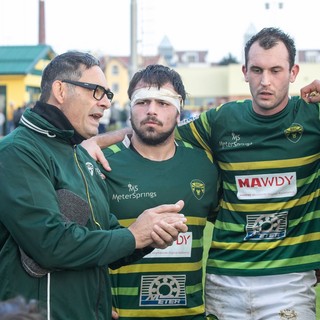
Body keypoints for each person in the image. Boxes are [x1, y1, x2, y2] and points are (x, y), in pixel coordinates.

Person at [84, 28, 320, 319]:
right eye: (257, 70)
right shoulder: (221, 120)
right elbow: (157, 130)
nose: (266, 81)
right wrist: (97, 141)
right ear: (245, 72)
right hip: (225, 280)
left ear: (294, 71)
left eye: (276, 70)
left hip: (289, 280)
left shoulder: (313, 116)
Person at [0, 51, 188, 320]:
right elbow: (50, 244)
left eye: (108, 95)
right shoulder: (18, 151)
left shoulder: (79, 155)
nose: (106, 104)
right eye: (97, 92)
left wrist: (151, 235)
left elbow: (107, 239)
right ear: (61, 90)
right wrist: (133, 236)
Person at [100, 64, 220, 319]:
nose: (152, 110)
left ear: (179, 112)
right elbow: (78, 243)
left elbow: (235, 227)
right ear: (130, 107)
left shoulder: (205, 165)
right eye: (142, 101)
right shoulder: (101, 164)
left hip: (190, 314)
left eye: (163, 103)